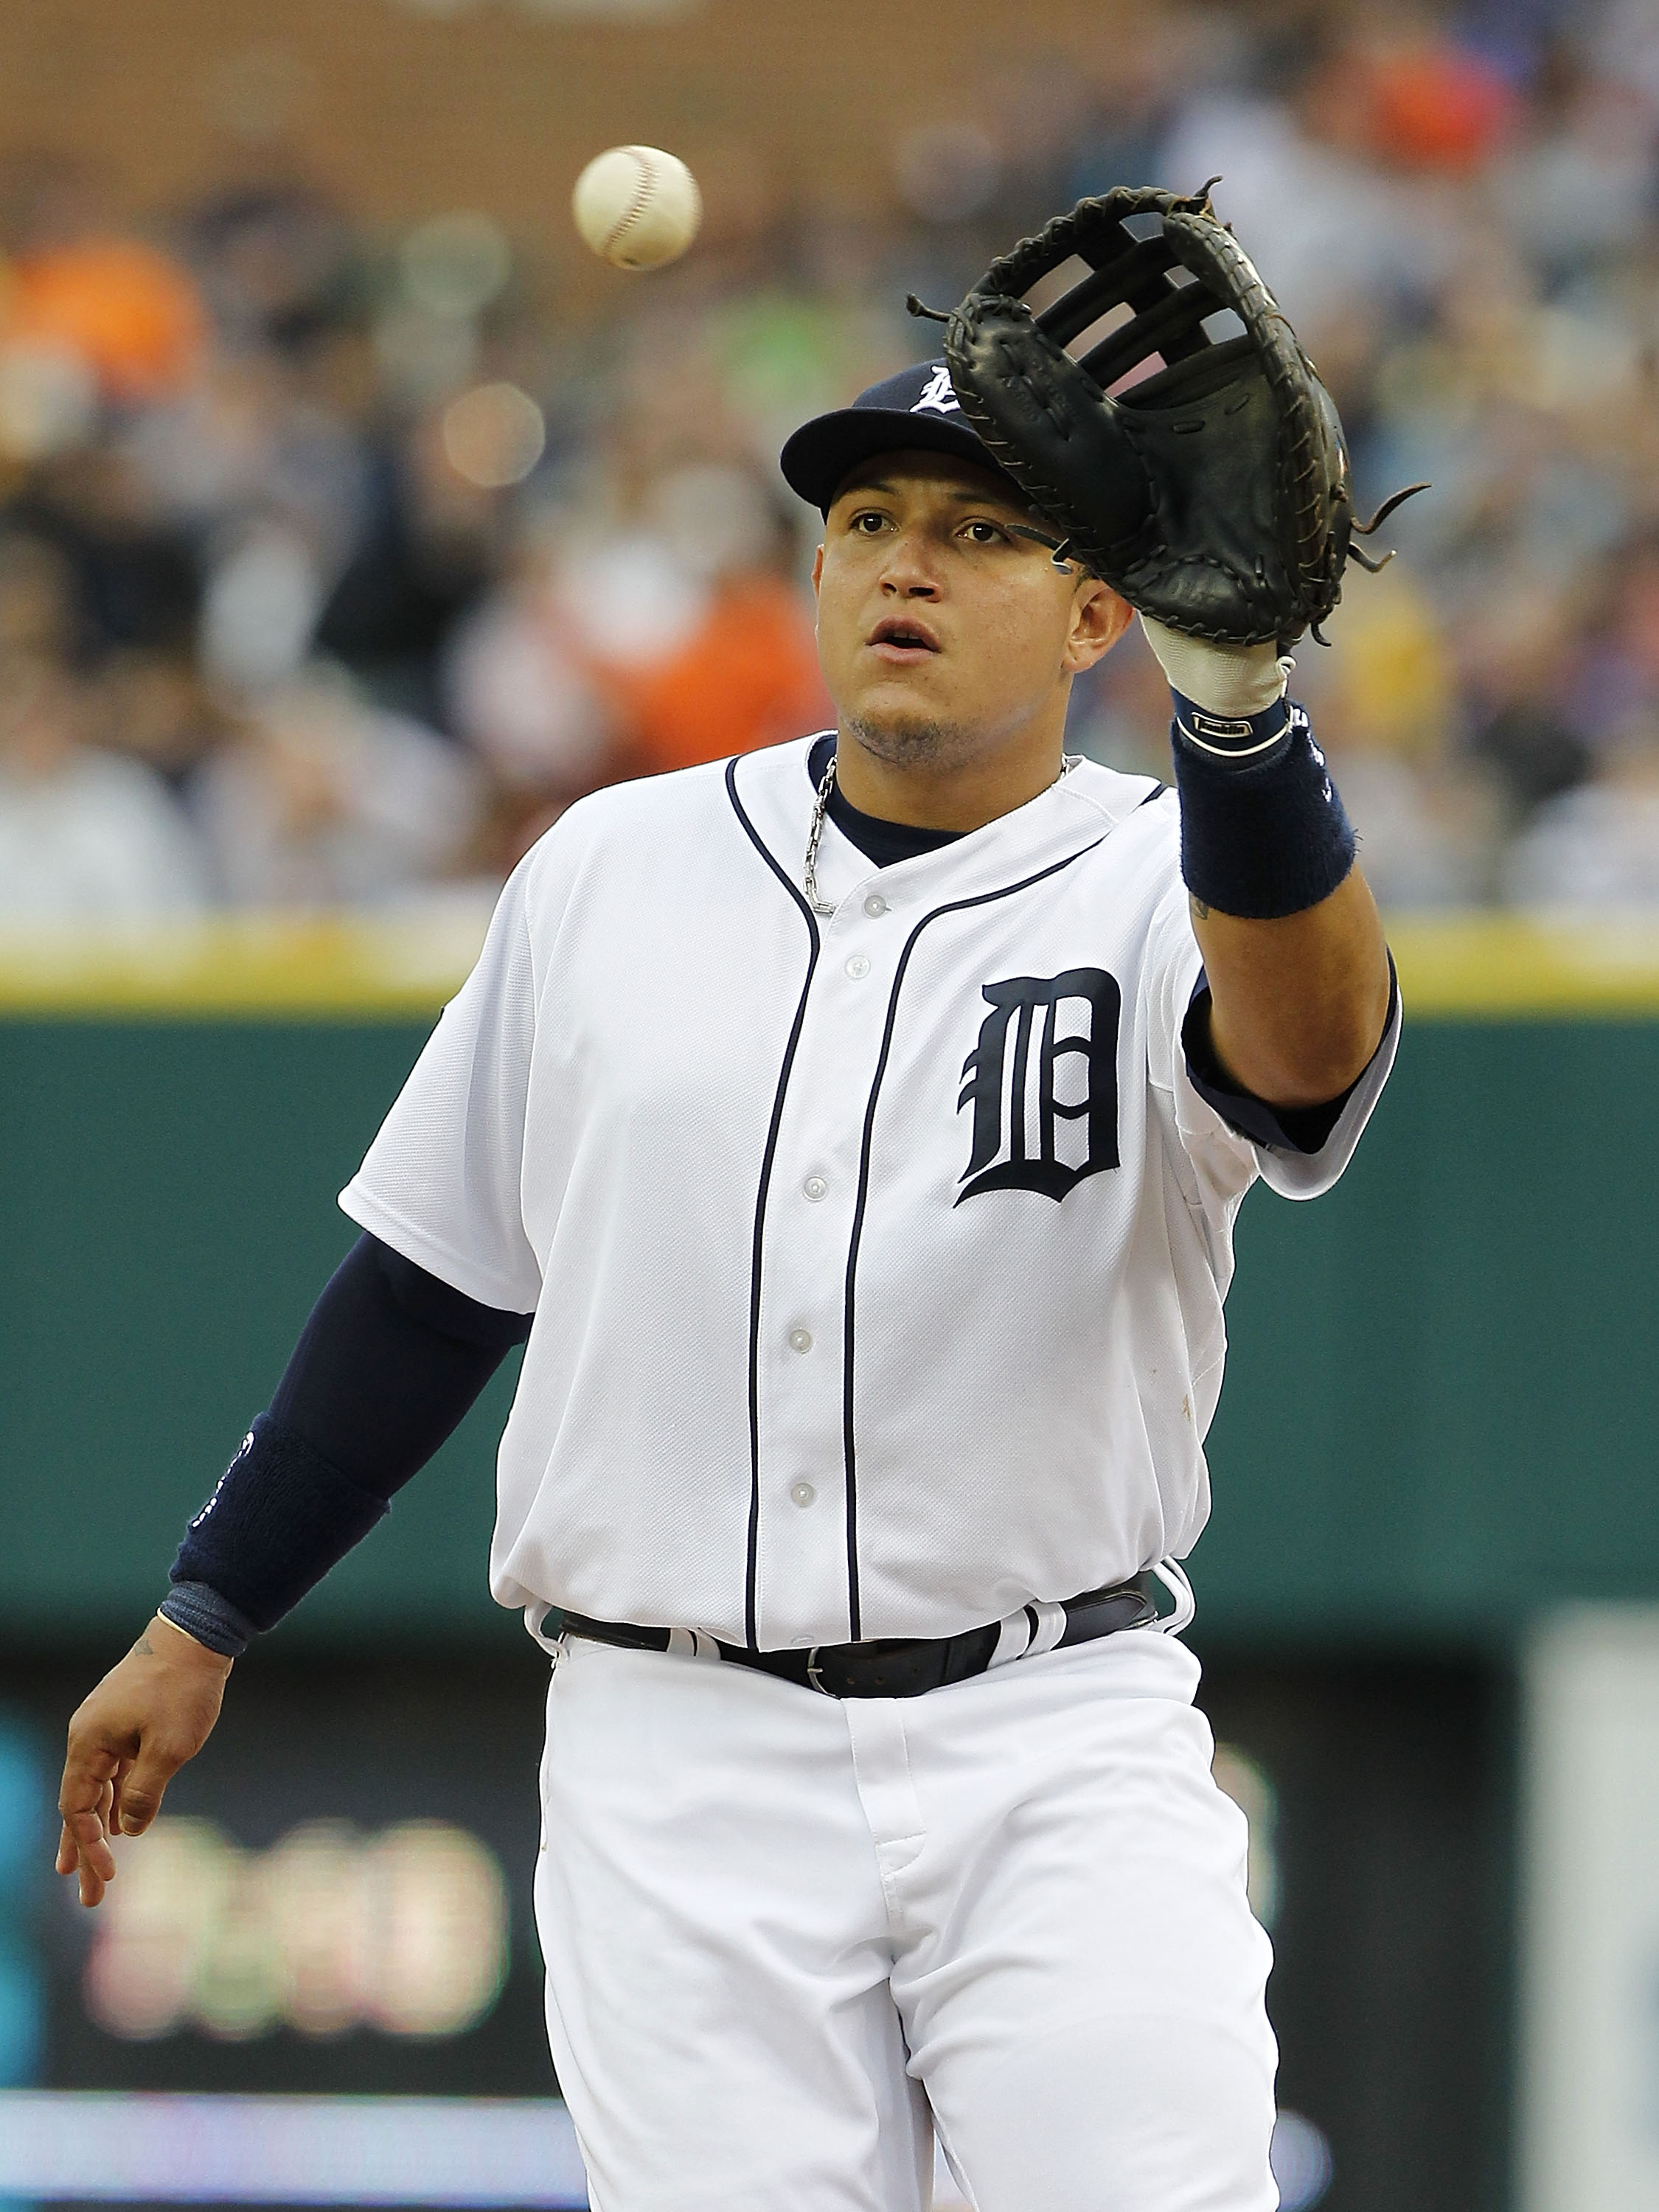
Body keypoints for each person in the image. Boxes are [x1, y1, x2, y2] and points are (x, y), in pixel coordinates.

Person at [57, 357, 1397, 2212]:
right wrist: (207, 1611)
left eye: (979, 531)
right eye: (867, 525)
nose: (903, 569)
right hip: (677, 1754)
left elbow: (1313, 1059)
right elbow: (433, 1290)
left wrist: (1244, 720)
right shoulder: (611, 868)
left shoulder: (1177, 880)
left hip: (1055, 1733)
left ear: (1104, 612)